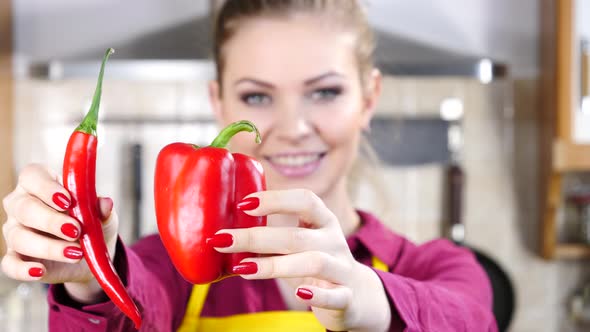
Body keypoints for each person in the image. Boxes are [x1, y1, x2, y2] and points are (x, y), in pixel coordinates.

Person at [1, 0, 497, 331]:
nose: (293, 126)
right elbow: (134, 308)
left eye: (325, 91)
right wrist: (90, 281)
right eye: (257, 95)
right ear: (219, 103)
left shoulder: (438, 268)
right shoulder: (167, 270)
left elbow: (471, 318)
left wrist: (371, 299)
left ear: (370, 98)